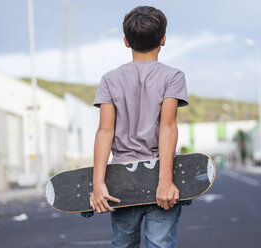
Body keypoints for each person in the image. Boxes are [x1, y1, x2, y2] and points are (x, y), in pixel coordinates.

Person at [90, 6, 188, 248]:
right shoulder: (173, 76)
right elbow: (167, 127)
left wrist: (98, 183)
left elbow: (105, 131)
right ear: (163, 39)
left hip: (122, 182)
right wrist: (165, 182)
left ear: (126, 41)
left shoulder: (109, 79)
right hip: (160, 176)